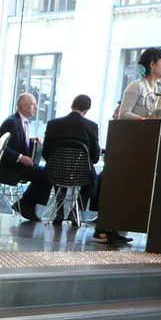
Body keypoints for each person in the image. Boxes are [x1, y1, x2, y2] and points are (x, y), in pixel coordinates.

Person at [94, 47, 161, 244]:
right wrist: (145, 120)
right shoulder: (136, 86)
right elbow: (123, 113)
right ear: (152, 64)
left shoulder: (158, 89)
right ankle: (106, 227)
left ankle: (120, 227)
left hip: (144, 145)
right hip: (128, 146)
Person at [41, 93, 100, 225]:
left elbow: (46, 152)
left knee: (59, 174)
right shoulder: (91, 126)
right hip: (81, 173)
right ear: (86, 110)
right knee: (93, 182)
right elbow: (95, 158)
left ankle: (60, 211)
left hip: (56, 171)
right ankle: (76, 211)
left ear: (72, 105)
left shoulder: (53, 124)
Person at [0, 92, 51, 220]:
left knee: (47, 173)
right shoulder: (11, 122)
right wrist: (20, 157)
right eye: (33, 105)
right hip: (11, 167)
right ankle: (26, 205)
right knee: (46, 175)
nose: (36, 108)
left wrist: (31, 141)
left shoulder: (22, 122)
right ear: (22, 107)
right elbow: (0, 147)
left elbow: (17, 142)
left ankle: (26, 204)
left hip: (20, 166)